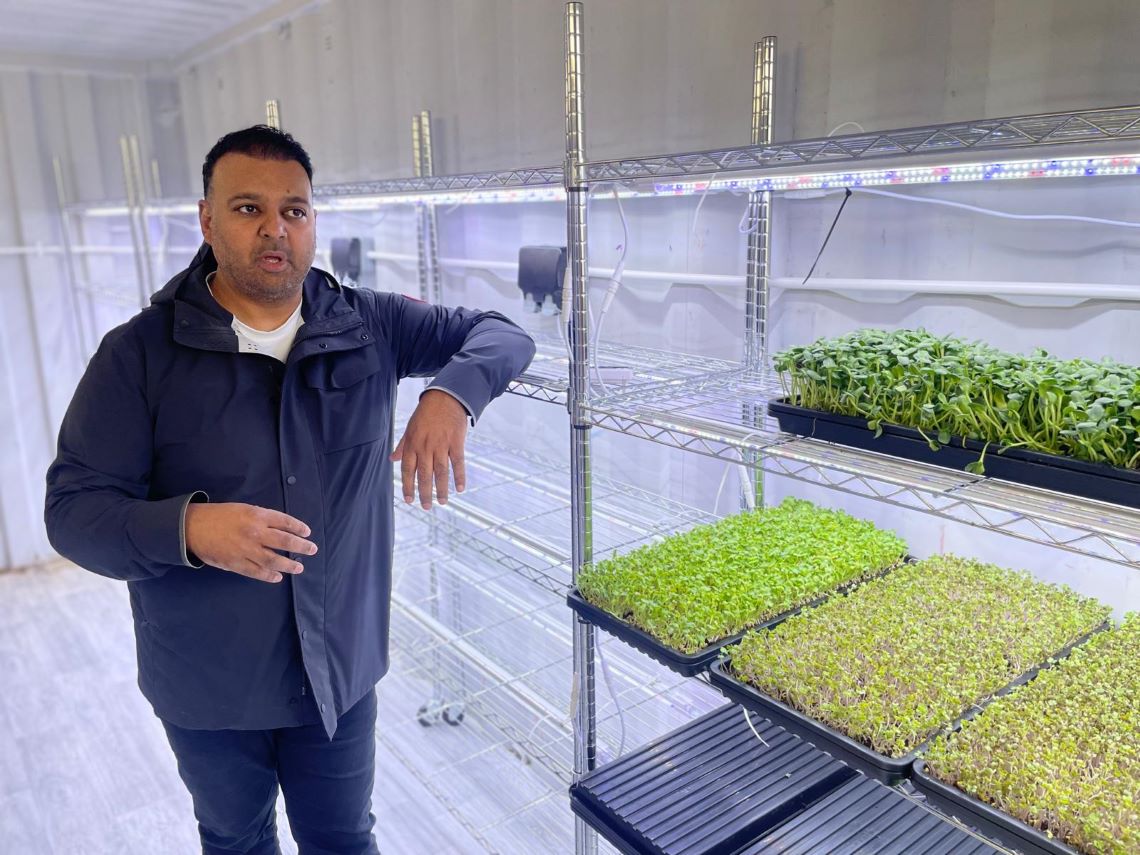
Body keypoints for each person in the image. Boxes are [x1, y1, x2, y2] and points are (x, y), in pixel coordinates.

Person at [44, 125, 535, 854]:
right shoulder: (138, 356)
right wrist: (189, 530)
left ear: (312, 221)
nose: (275, 228)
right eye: (247, 208)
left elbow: (502, 333)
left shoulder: (370, 325)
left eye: (295, 210)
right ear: (207, 220)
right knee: (236, 839)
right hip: (209, 685)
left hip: (337, 673)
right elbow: (72, 512)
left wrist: (451, 395)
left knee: (342, 838)